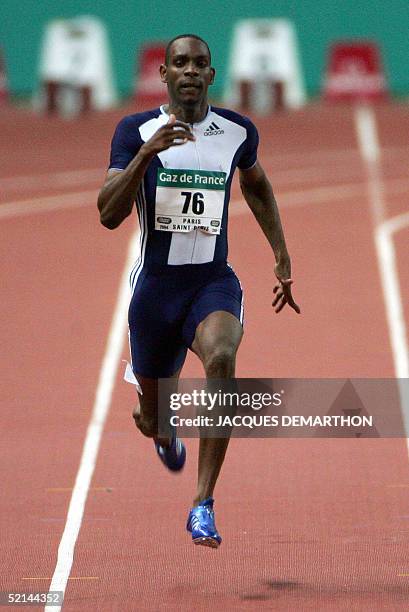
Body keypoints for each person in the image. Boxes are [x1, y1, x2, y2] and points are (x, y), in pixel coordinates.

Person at [97, 33, 300, 549]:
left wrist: (280, 252)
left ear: (212, 75)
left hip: (212, 282)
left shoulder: (237, 131)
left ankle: (203, 504)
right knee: (151, 417)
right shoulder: (133, 130)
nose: (190, 70)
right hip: (155, 292)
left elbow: (255, 183)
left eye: (201, 64)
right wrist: (146, 154)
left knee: (222, 356)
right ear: (163, 74)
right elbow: (107, 214)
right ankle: (164, 433)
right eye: (180, 63)